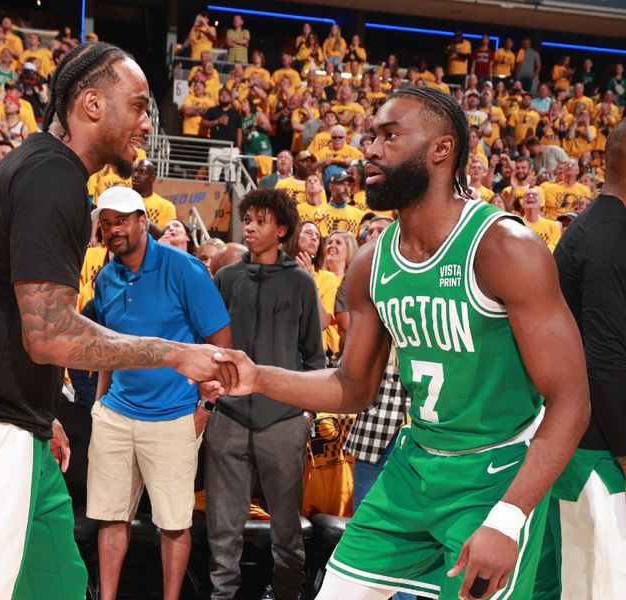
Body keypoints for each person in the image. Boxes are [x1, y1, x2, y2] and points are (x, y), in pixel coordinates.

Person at [210, 87, 590, 599]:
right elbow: (352, 387)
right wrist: (257, 376)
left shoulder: (504, 247)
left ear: (441, 149)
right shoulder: (371, 262)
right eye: (371, 136)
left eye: (390, 136)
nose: (371, 149)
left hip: (496, 472)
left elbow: (571, 399)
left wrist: (509, 515)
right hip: (415, 465)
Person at [0, 42, 234, 600]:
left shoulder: (48, 170)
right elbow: (51, 334)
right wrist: (175, 353)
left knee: (60, 585)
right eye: (137, 106)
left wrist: (43, 415)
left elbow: (23, 326)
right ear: (91, 104)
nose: (146, 121)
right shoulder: (51, 177)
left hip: (19, 423)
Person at [89, 187, 231, 600]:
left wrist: (206, 405)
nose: (113, 229)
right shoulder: (105, 276)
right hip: (116, 413)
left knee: (173, 523)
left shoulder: (184, 268)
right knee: (109, 517)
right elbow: (105, 347)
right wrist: (100, 401)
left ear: (140, 220)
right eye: (106, 222)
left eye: (121, 220)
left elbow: (220, 345)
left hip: (173, 415)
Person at [206, 188, 324, 600]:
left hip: (284, 421)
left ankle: (289, 594)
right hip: (229, 418)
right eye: (248, 220)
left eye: (260, 221)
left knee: (287, 529)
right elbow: (210, 348)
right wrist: (213, 402)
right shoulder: (226, 278)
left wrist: (305, 416)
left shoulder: (302, 283)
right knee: (223, 527)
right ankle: (223, 596)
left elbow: (315, 357)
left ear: (282, 228)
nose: (251, 227)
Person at [537, 119, 626, 599]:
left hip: (578, 442)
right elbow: (606, 360)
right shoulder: (608, 239)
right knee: (596, 585)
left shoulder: (597, 228)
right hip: (596, 450)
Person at [202, 87, 242, 183]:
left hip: (231, 148)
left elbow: (239, 129)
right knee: (213, 178)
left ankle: (229, 197)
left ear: (230, 98)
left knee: (232, 179)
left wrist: (239, 146)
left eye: (226, 95)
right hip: (216, 148)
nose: (224, 97)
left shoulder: (235, 113)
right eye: (221, 95)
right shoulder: (212, 110)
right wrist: (217, 121)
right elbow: (204, 123)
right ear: (218, 97)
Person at [131, 158, 176, 228]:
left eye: (142, 172)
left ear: (152, 179)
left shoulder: (166, 206)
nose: (136, 175)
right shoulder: (123, 199)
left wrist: (145, 222)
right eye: (135, 171)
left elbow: (166, 236)